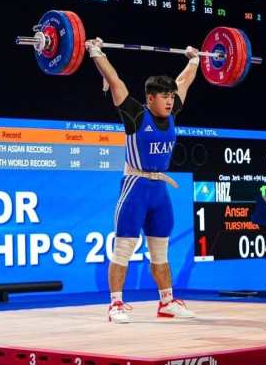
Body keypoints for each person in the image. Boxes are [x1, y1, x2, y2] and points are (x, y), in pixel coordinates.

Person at [85, 37, 199, 323]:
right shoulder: (135, 115)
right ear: (150, 98)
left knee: (160, 251)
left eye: (171, 96)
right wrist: (96, 52)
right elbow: (115, 80)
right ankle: (115, 305)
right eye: (164, 96)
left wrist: (194, 59)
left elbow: (185, 80)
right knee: (124, 248)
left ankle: (167, 302)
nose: (170, 101)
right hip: (134, 188)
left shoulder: (172, 112)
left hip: (159, 191)